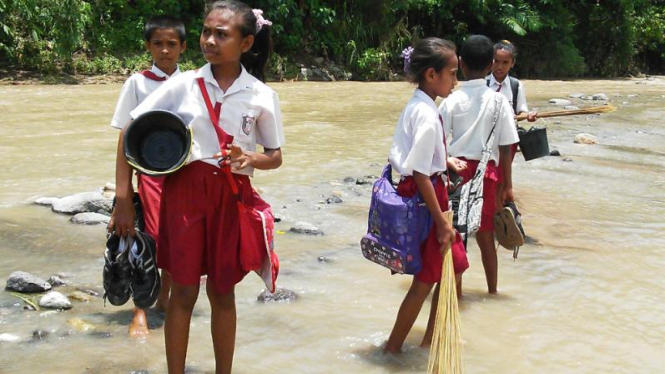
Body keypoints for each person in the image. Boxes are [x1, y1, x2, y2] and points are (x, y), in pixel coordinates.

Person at [112, 1, 284, 373]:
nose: (209, 40)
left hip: (230, 198)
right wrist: (124, 198)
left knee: (223, 292)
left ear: (246, 42)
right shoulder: (184, 85)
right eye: (206, 31)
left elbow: (275, 155)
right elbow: (130, 130)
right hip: (185, 196)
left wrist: (251, 159)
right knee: (184, 291)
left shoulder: (261, 96)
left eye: (221, 34)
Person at [384, 38, 469, 354]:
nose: (455, 81)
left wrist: (443, 160)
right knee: (426, 280)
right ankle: (396, 347)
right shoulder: (427, 113)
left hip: (425, 190)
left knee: (454, 266)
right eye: (452, 73)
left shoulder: (418, 105)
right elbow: (420, 172)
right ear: (431, 75)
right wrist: (441, 222)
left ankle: (431, 339)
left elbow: (414, 154)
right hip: (427, 197)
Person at [107, 15, 187, 337]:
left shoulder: (193, 83)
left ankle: (165, 301)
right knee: (148, 237)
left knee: (176, 238)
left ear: (183, 47)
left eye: (171, 44)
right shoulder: (138, 83)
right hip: (150, 175)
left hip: (184, 172)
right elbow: (125, 137)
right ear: (148, 46)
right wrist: (123, 197)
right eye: (158, 44)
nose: (165, 51)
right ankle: (140, 309)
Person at [438, 35, 519, 294]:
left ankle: (456, 296)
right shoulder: (499, 102)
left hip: (455, 174)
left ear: (460, 64)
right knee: (486, 236)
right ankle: (492, 291)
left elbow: (438, 142)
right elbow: (506, 148)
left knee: (456, 236)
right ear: (489, 65)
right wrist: (507, 186)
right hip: (488, 175)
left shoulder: (451, 101)